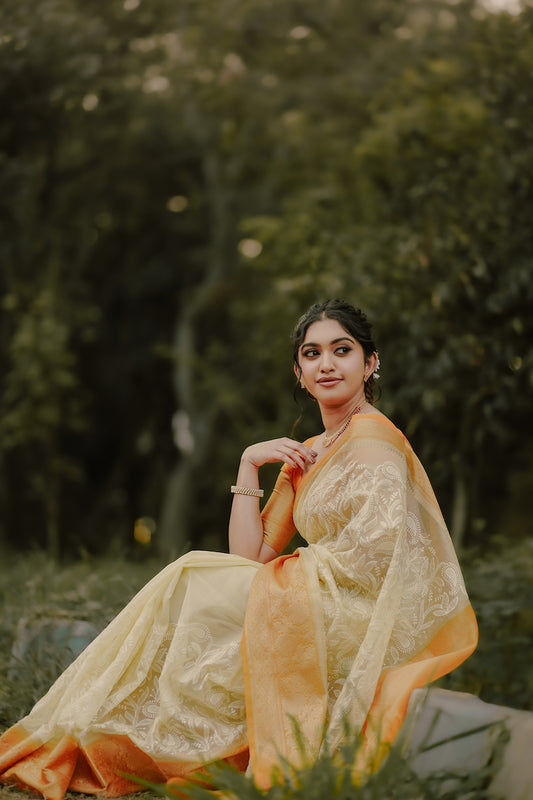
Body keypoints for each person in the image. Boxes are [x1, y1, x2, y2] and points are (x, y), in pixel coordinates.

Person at [0, 300, 478, 799]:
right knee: (191, 578)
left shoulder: (375, 440)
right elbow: (249, 558)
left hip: (359, 611)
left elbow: (375, 558)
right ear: (299, 372)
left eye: (343, 350)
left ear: (370, 362)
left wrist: (295, 578)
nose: (327, 364)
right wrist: (248, 465)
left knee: (191, 576)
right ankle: (121, 739)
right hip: (314, 596)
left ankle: (130, 740)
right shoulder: (310, 451)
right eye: (312, 354)